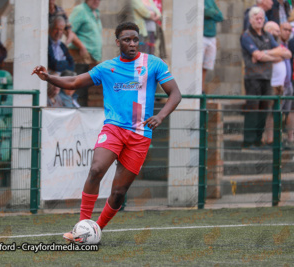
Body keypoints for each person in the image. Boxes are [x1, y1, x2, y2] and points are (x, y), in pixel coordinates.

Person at [32, 22, 182, 242]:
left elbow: (175, 94)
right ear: (117, 42)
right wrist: (49, 78)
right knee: (96, 169)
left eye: (135, 39)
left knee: (119, 192)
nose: (132, 43)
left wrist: (160, 116)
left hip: (140, 135)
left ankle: (95, 229)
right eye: (127, 40)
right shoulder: (106, 68)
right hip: (114, 128)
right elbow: (74, 81)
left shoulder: (153, 64)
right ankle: (80, 229)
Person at [241, 7, 287, 149]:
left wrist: (264, 53)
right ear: (250, 20)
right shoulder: (247, 35)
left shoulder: (267, 35)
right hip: (253, 77)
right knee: (252, 109)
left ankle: (258, 140)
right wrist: (271, 55)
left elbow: (285, 53)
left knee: (264, 109)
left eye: (261, 18)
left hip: (267, 77)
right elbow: (255, 55)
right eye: (256, 18)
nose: (259, 21)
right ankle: (248, 141)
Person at [263, 21, 292, 146]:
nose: (281, 33)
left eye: (289, 30)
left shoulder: (282, 44)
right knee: (272, 112)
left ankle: (277, 137)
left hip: (285, 84)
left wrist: (281, 54)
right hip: (273, 83)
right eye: (278, 30)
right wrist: (278, 54)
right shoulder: (267, 42)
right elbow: (264, 54)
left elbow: (288, 54)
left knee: (282, 112)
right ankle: (269, 138)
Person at [68, 0, 103, 106]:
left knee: (89, 90)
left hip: (93, 58)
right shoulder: (80, 10)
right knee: (80, 90)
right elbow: (69, 30)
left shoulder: (96, 12)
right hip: (81, 57)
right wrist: (81, 46)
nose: (97, 1)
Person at [202, 0, 224, 94]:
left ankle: (201, 89)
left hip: (211, 37)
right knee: (198, 65)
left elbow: (220, 16)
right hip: (201, 36)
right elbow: (204, 12)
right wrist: (212, 12)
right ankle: (197, 90)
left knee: (206, 66)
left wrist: (210, 12)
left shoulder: (211, 1)